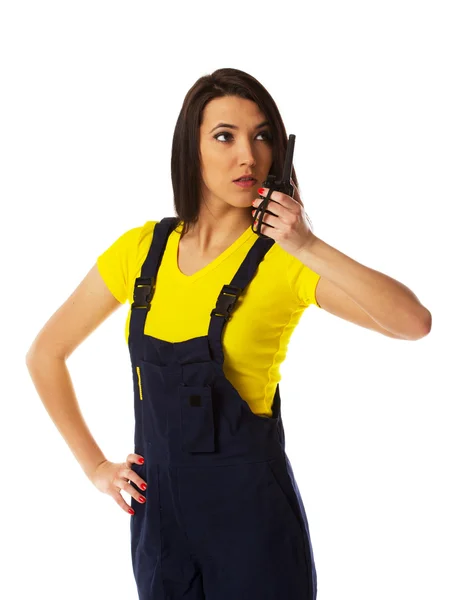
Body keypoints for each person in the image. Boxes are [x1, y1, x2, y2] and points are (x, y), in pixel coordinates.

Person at [25, 67, 432, 600]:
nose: (248, 155)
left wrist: (305, 244)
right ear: (189, 148)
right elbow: (45, 354)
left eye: (262, 136)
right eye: (225, 136)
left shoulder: (286, 261)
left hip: (252, 530)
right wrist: (96, 467)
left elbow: (412, 323)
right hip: (159, 528)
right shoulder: (142, 252)